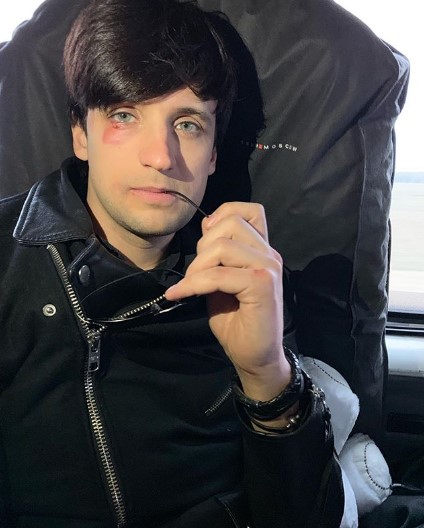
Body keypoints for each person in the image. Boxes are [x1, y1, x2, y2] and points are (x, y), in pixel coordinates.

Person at [0, 0, 344, 526]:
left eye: (187, 124)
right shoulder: (9, 265)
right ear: (80, 133)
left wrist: (267, 374)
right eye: (124, 115)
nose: (161, 156)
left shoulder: (252, 280)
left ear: (213, 154)